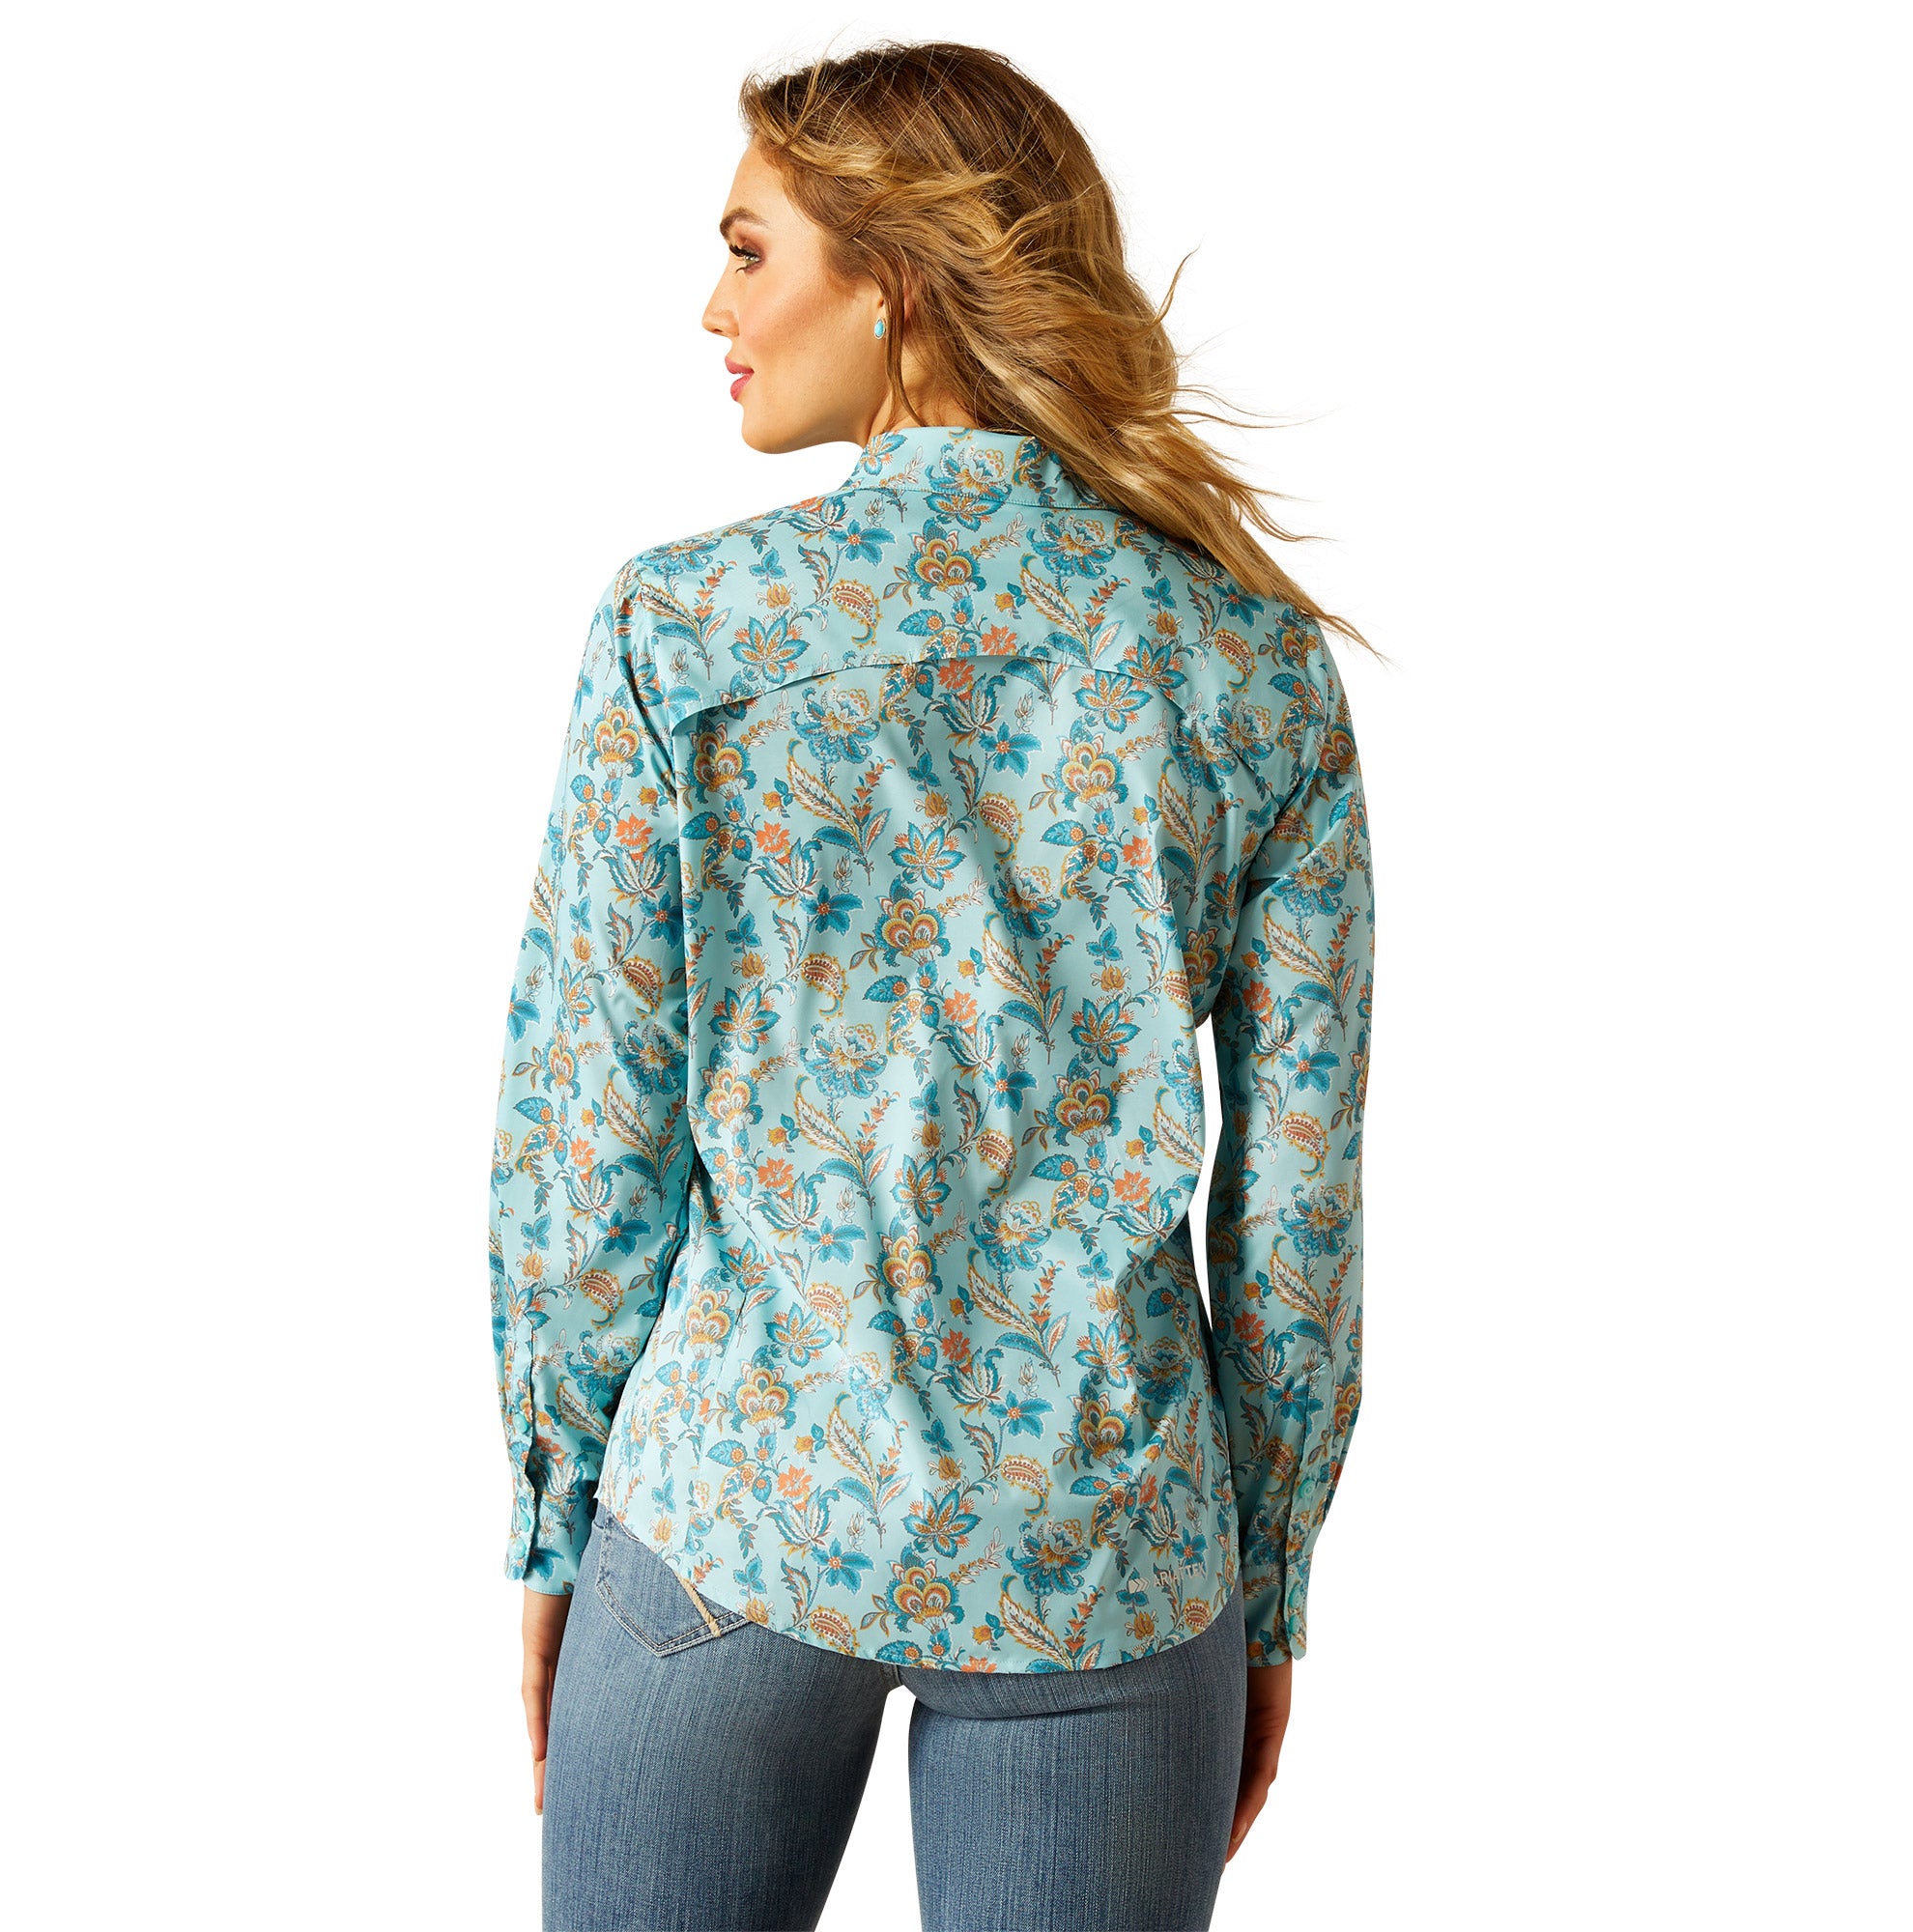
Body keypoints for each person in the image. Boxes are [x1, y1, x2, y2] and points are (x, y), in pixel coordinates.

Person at [486, 39, 1377, 1932]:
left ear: (890, 277)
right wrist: (1268, 1572)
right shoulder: (1250, 664)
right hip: (1111, 1552)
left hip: (727, 1522)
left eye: (748, 250)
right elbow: (1295, 1207)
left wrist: (557, 1518)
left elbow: (587, 1136)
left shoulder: (684, 632)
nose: (713, 308)